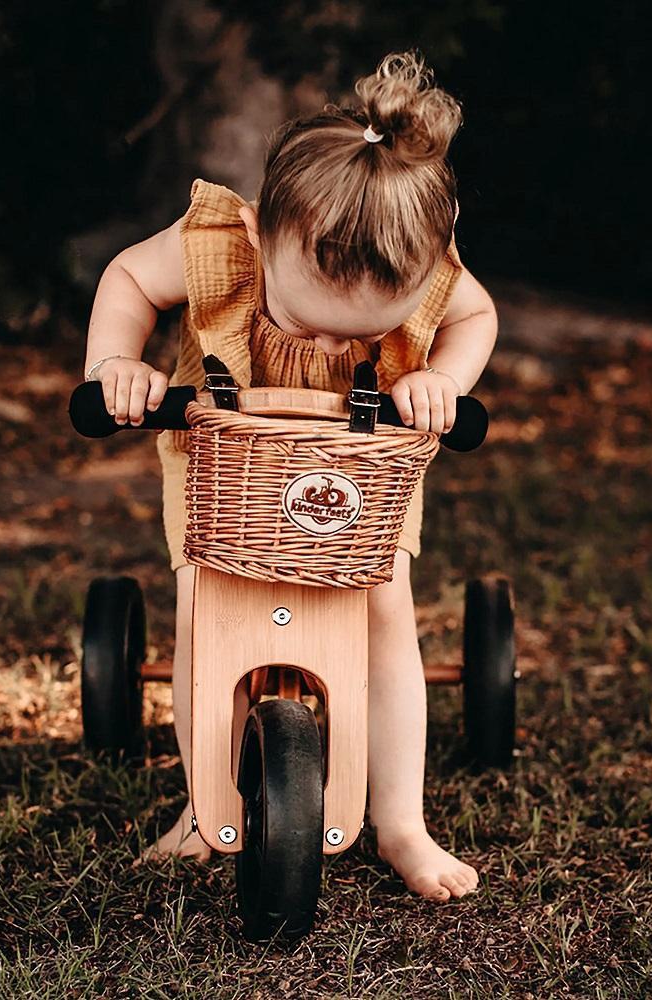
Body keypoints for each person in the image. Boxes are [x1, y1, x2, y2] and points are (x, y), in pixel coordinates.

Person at [83, 51, 498, 901]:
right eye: (306, 322)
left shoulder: (424, 260)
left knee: (385, 611)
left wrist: (442, 382)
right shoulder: (217, 243)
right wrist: (114, 363)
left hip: (361, 472)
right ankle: (205, 811)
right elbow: (127, 277)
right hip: (225, 466)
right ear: (263, 233)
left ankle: (401, 823)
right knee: (208, 611)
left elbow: (476, 316)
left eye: (363, 337)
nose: (331, 350)